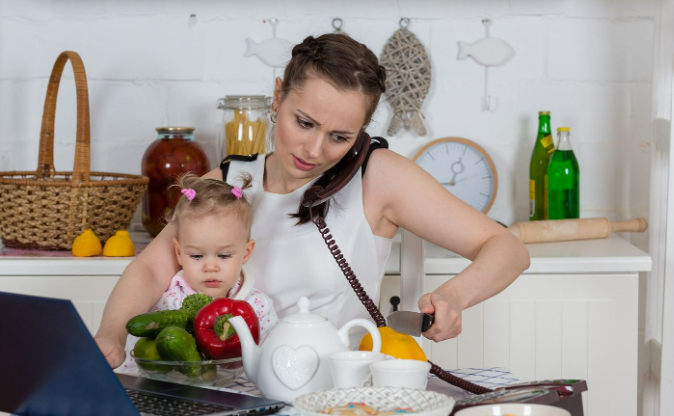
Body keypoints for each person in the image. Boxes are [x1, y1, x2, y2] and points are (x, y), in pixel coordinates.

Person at [96, 33, 529, 368]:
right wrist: (112, 335)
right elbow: (152, 266)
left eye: (340, 137)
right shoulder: (229, 181)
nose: (314, 150)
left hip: (333, 396)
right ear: (278, 96)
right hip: (232, 389)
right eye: (303, 122)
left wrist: (455, 295)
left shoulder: (378, 177)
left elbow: (507, 248)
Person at [118, 173, 278, 375]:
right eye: (196, 256)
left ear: (246, 252)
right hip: (177, 395)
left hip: (245, 395)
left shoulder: (259, 306)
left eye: (223, 255)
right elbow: (137, 361)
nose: (210, 267)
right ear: (178, 253)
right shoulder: (168, 303)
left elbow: (273, 357)